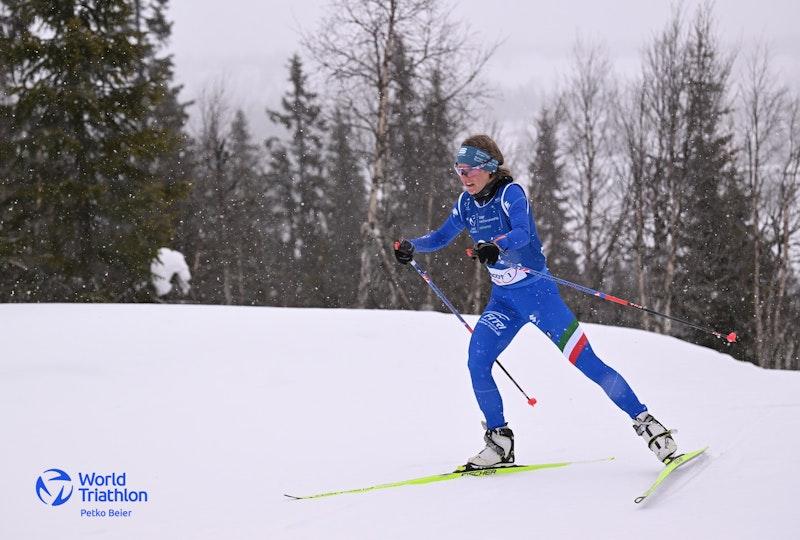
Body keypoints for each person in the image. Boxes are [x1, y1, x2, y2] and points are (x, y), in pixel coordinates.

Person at [393, 134, 677, 470]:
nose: (463, 177)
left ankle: (650, 427)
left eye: (468, 169)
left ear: (488, 168)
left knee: (587, 363)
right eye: (458, 170)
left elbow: (522, 233)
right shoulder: (466, 204)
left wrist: (496, 245)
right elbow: (441, 236)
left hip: (539, 297)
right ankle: (499, 443)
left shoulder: (510, 194)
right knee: (477, 360)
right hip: (504, 302)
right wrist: (412, 246)